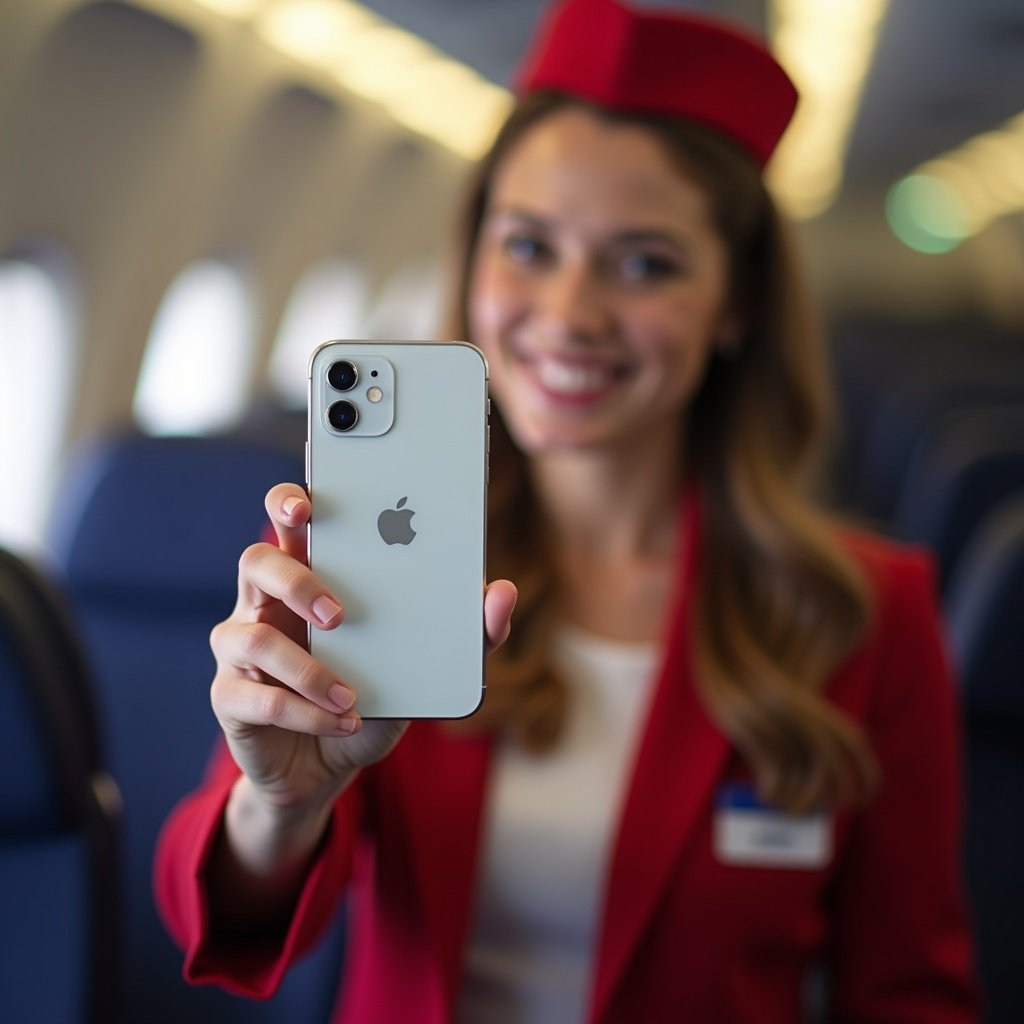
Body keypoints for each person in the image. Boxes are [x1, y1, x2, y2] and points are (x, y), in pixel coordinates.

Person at [155, 1, 980, 1021]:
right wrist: (280, 801)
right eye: (529, 245)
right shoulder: (385, 557)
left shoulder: (867, 613)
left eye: (643, 262)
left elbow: (906, 991)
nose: (568, 315)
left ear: (736, 304)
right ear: (473, 260)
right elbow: (221, 912)